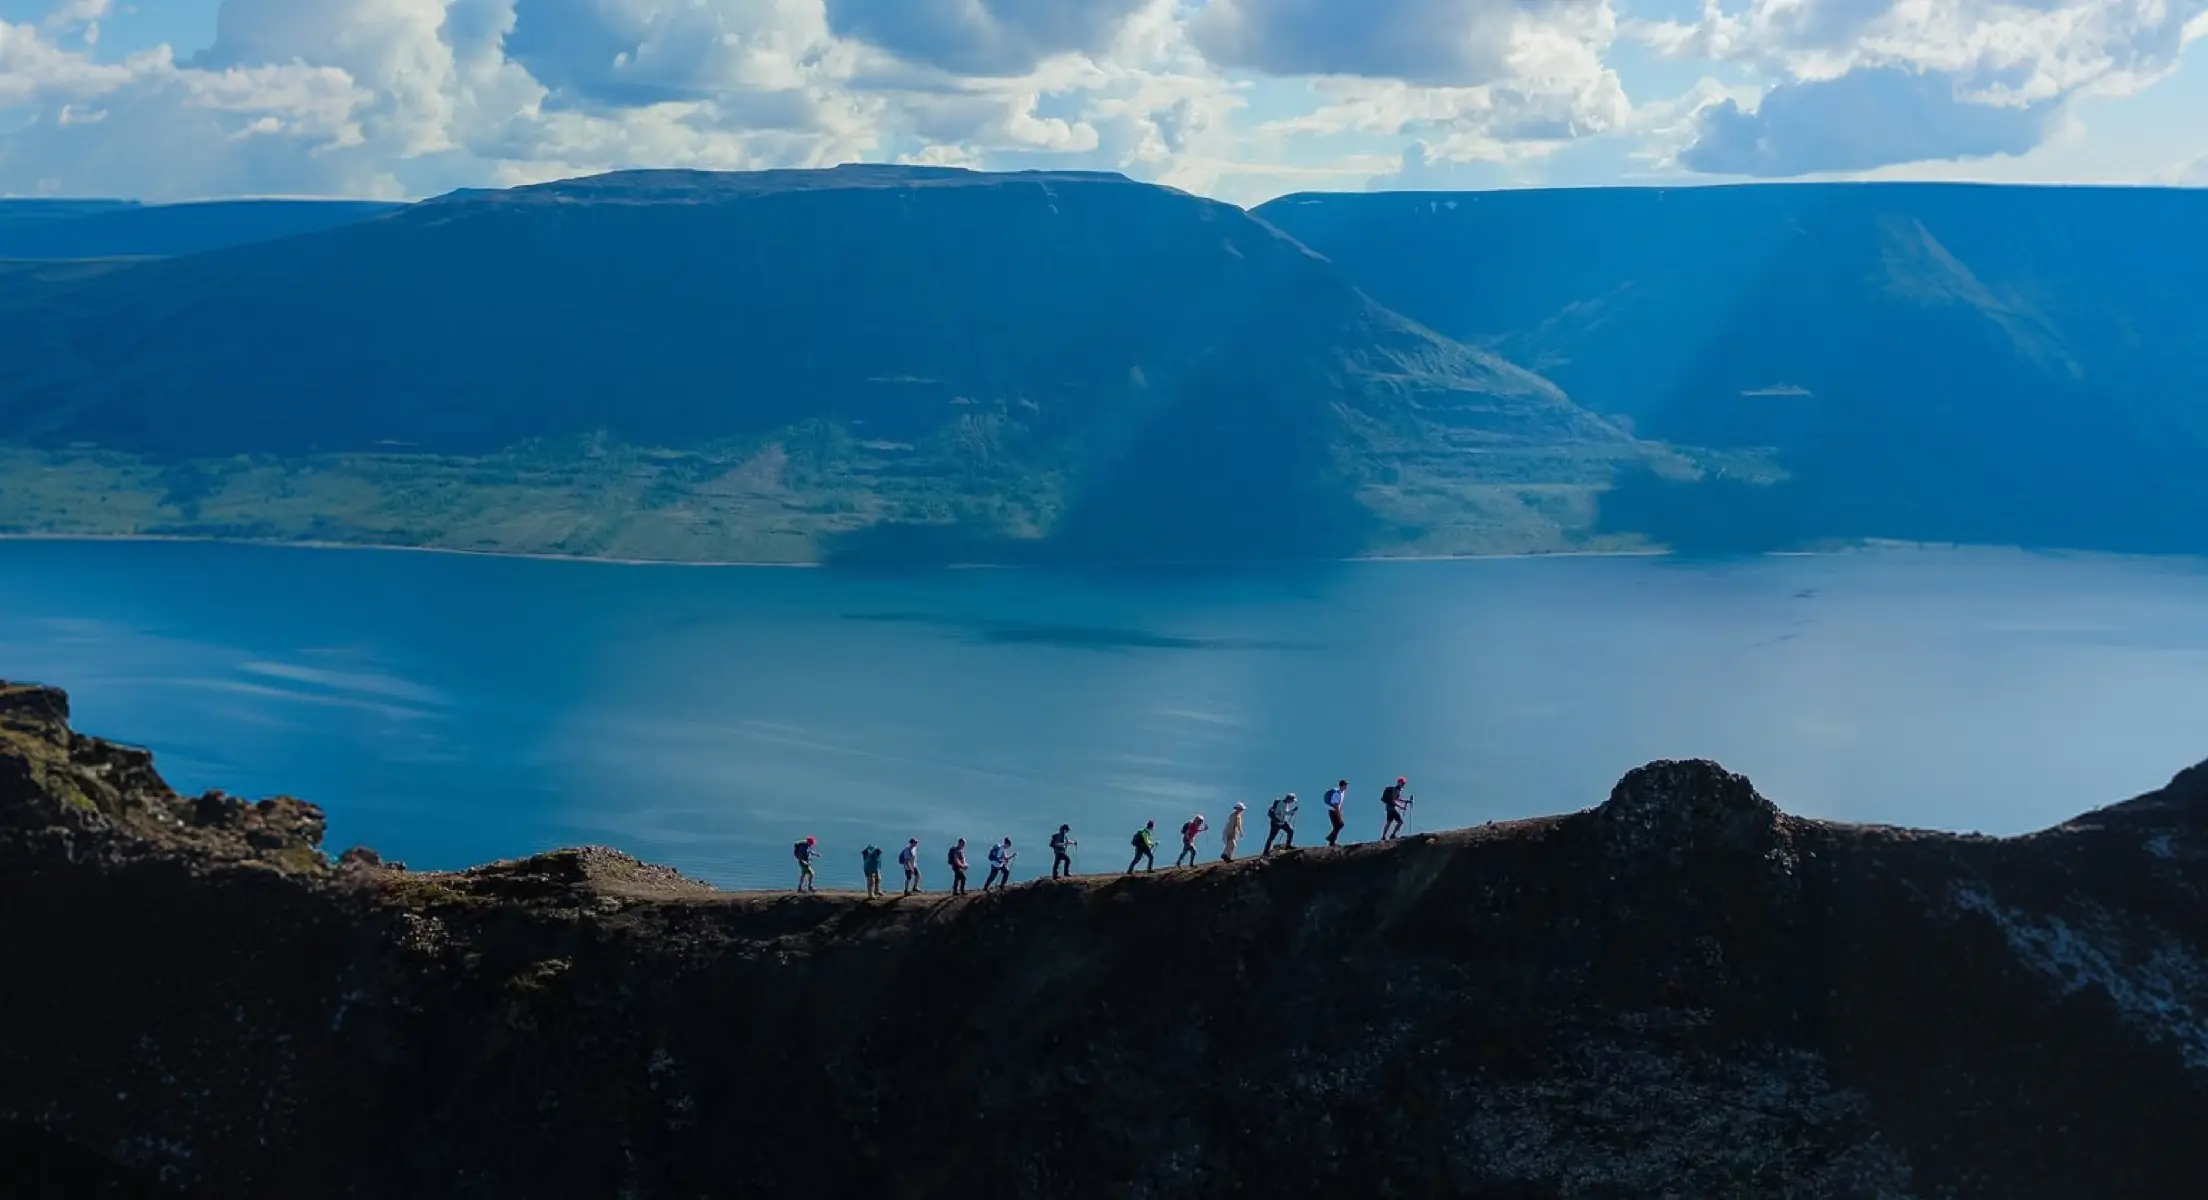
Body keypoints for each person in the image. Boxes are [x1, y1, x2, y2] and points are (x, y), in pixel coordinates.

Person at [1380, 776, 1413, 841]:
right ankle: (1393, 835)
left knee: (1389, 822)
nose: (1403, 785)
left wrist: (1406, 801)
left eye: (1403, 784)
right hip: (1392, 808)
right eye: (1402, 783)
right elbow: (1393, 800)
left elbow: (1397, 799)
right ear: (1399, 783)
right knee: (1400, 822)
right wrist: (1401, 807)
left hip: (1389, 808)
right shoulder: (1395, 790)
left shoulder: (1396, 790)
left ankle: (1383, 837)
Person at [1324, 779, 1350, 847]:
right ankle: (1331, 839)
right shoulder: (1337, 793)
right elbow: (1336, 805)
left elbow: (1339, 804)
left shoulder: (1342, 792)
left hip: (1334, 811)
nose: (1346, 786)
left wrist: (1340, 812)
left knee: (1338, 826)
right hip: (1333, 811)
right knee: (1339, 825)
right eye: (1345, 785)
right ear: (1342, 785)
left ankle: (1331, 841)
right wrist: (1339, 815)